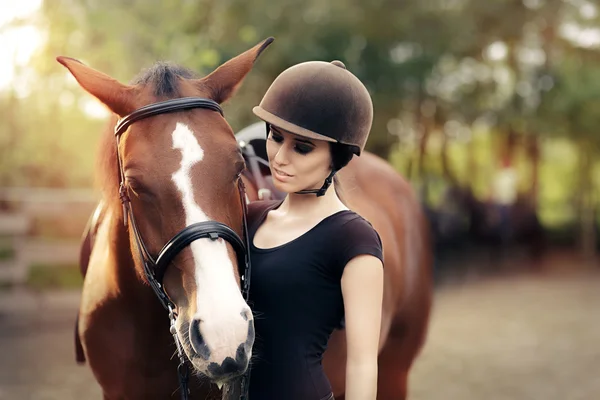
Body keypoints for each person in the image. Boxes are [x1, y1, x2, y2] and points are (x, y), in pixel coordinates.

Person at [246, 60, 384, 400]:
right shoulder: (248, 218)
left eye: (302, 147)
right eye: (276, 137)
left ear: (337, 158)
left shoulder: (354, 239)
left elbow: (363, 363)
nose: (279, 157)